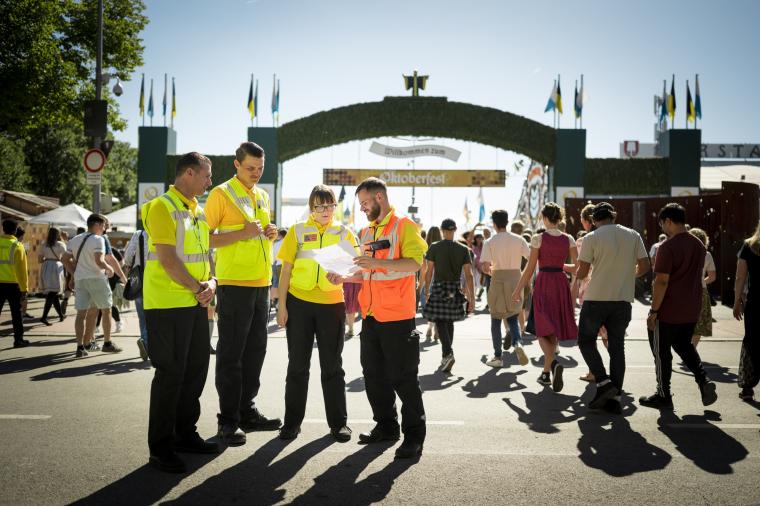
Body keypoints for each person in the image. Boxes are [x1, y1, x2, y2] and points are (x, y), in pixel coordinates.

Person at [327, 177, 428, 459]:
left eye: (365, 203)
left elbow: (414, 263)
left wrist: (378, 263)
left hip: (398, 317)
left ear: (380, 198)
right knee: (373, 376)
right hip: (370, 316)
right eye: (360, 204)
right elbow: (366, 272)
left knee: (404, 379)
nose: (362, 208)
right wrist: (344, 276)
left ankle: (414, 437)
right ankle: (386, 426)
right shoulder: (366, 231)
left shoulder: (404, 226)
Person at [142, 151, 219, 473]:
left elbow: (206, 254)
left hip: (193, 303)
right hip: (167, 303)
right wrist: (199, 288)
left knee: (194, 372)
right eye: (206, 175)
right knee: (170, 375)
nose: (209, 181)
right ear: (188, 173)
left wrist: (212, 282)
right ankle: (161, 448)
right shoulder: (162, 206)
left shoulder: (197, 211)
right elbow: (169, 259)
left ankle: (185, 434)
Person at [204, 141, 281, 446]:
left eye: (260, 168)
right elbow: (206, 239)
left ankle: (246, 410)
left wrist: (270, 231)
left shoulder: (262, 195)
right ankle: (228, 421)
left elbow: (258, 233)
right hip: (233, 283)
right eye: (250, 168)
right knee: (231, 354)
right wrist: (243, 233)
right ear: (236, 165)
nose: (256, 174)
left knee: (255, 352)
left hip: (260, 283)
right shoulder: (220, 194)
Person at [276, 185, 358, 442]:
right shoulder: (297, 230)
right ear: (311, 208)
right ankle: (291, 424)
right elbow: (286, 270)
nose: (325, 211)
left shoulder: (344, 233)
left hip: (332, 304)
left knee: (332, 366)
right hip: (299, 303)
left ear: (336, 206)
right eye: (319, 206)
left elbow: (358, 268)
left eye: (330, 205)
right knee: (297, 366)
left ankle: (339, 424)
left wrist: (344, 275)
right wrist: (281, 305)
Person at [641, 203, 718, 409]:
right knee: (684, 345)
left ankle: (663, 393)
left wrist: (654, 311)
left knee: (661, 351)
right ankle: (703, 380)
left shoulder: (667, 247)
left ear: (668, 221)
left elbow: (662, 281)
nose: (662, 229)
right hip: (691, 307)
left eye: (662, 224)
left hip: (668, 309)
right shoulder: (699, 245)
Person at [575, 203, 650, 413]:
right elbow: (645, 266)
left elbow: (581, 272)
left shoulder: (592, 237)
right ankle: (615, 397)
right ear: (613, 216)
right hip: (622, 300)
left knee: (585, 340)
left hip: (596, 298)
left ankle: (603, 382)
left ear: (594, 219)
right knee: (617, 347)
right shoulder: (633, 235)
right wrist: (627, 275)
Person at [512, 203, 577, 392]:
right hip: (560, 283)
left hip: (544, 284)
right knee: (553, 329)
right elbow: (578, 268)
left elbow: (530, 269)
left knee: (541, 330)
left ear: (545, 218)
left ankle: (554, 365)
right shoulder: (569, 239)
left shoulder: (538, 238)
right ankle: (546, 374)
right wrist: (563, 268)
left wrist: (517, 290)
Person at [62, 214, 121, 357]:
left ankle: (80, 347)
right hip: (97, 278)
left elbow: (64, 259)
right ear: (98, 225)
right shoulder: (98, 239)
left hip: (81, 280)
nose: (105, 228)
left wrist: (74, 273)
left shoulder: (75, 239)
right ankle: (107, 343)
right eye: (104, 225)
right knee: (106, 310)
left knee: (81, 314)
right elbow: (99, 260)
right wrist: (110, 269)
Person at [422, 218, 474, 373]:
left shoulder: (435, 247)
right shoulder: (463, 249)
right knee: (449, 321)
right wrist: (472, 299)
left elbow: (429, 271)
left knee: (439, 319)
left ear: (442, 230)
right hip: (454, 288)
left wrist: (427, 291)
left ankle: (447, 353)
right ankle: (447, 355)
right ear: (455, 229)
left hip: (439, 287)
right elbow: (469, 275)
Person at [480, 209, 530, 368]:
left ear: (494, 224)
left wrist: (489, 269)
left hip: (498, 278)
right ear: (507, 222)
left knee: (496, 318)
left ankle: (497, 356)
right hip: (516, 277)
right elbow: (531, 258)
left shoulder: (489, 241)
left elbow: (485, 266)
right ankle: (518, 343)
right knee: (513, 315)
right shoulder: (519, 239)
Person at [734, 224, 760, 401]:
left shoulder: (749, 245)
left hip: (756, 303)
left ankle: (748, 388)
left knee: (752, 342)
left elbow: (740, 276)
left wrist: (737, 301)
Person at [0, 219, 30, 348]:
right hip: (13, 285)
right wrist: (24, 289)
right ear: (15, 230)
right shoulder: (17, 245)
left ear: (3, 228)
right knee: (16, 314)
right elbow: (22, 271)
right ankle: (18, 340)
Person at [124, 228, 149, 360]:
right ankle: (150, 344)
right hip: (158, 279)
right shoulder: (163, 228)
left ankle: (145, 341)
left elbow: (128, 256)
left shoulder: (138, 234)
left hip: (139, 279)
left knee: (142, 316)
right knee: (157, 315)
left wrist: (128, 266)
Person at [689, 228, 716, 348]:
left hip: (683, 291)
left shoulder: (684, 252)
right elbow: (712, 277)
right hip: (701, 291)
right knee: (699, 323)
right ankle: (692, 348)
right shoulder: (707, 254)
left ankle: (684, 347)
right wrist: (702, 281)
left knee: (683, 320)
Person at [39, 226, 66, 325]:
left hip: (46, 266)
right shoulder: (60, 245)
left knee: (53, 293)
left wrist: (47, 258)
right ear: (58, 234)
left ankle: (61, 315)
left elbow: (39, 260)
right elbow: (65, 258)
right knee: (52, 293)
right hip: (56, 267)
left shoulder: (44, 244)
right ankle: (44, 317)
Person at [420, 226, 442, 342]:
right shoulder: (442, 248)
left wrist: (420, 286)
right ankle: (437, 330)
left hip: (428, 281)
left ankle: (429, 326)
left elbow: (424, 269)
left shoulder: (425, 249)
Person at [270, 227, 287, 310]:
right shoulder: (286, 243)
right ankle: (279, 303)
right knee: (283, 284)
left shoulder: (276, 244)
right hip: (284, 265)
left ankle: (273, 300)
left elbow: (272, 255)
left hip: (276, 264)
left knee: (275, 283)